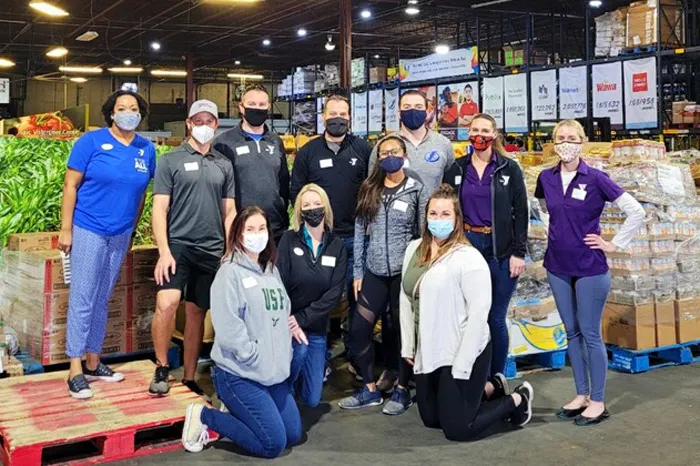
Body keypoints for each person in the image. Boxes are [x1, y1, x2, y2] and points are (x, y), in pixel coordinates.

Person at [400, 184, 534, 441]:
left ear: (457, 219)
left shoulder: (469, 259)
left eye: (445, 214)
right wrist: (409, 346)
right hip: (429, 347)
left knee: (458, 428)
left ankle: (517, 399)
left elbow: (478, 316)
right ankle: (491, 387)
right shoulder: (414, 250)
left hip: (462, 348)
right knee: (431, 419)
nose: (438, 220)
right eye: (433, 214)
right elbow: (406, 300)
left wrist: (462, 364)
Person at [535, 120, 645, 426]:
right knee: (571, 332)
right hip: (557, 265)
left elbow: (636, 211)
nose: (566, 143)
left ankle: (597, 400)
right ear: (553, 143)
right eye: (560, 138)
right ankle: (581, 394)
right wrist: (553, 233)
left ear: (582, 142)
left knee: (590, 333)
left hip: (589, 267)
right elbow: (544, 208)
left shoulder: (596, 178)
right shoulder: (546, 177)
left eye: (572, 138)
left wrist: (614, 244)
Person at [181, 206, 304, 458]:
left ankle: (239, 412)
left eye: (261, 229)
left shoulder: (271, 270)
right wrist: (253, 355)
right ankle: (205, 416)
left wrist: (287, 333)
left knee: (293, 434)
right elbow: (228, 328)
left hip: (272, 375)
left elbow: (281, 310)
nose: (256, 235)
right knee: (272, 444)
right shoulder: (229, 273)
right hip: (241, 373)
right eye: (250, 229)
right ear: (238, 234)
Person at [58, 90, 155, 399]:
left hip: (120, 232)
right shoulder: (91, 142)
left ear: (141, 114)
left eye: (134, 108)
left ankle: (94, 360)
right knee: (83, 296)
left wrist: (132, 228)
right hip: (89, 228)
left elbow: (141, 195)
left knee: (102, 297)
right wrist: (66, 229)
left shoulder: (145, 149)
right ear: (111, 113)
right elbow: (71, 185)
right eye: (121, 108)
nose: (128, 112)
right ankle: (75, 368)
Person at [149, 100, 237, 397]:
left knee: (197, 312)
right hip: (178, 246)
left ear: (215, 125)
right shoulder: (170, 160)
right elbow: (159, 208)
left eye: (209, 121)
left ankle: (189, 377)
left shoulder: (223, 164)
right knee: (167, 304)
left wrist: (229, 251)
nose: (203, 125)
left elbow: (230, 212)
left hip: (211, 249)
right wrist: (163, 250)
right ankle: (161, 366)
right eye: (197, 120)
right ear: (188, 123)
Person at [338, 135, 429, 415]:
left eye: (395, 151)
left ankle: (402, 389)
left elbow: (421, 233)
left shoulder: (416, 189)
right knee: (358, 330)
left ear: (404, 154)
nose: (389, 155)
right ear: (378, 158)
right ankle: (369, 389)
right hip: (374, 272)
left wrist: (420, 272)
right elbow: (359, 230)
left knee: (401, 333)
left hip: (403, 275)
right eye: (384, 152)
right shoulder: (370, 188)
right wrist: (358, 272)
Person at [289, 95, 371, 372]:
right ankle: (318, 359)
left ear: (350, 117)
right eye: (333, 113)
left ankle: (356, 356)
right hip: (319, 241)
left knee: (357, 301)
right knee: (318, 299)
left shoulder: (363, 149)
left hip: (355, 240)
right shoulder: (309, 152)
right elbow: (297, 192)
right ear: (323, 117)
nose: (339, 118)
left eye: (344, 114)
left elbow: (372, 189)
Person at [444, 113, 528, 377]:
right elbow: (445, 209)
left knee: (495, 316)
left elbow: (521, 211)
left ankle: (496, 376)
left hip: (500, 249)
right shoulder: (457, 168)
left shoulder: (508, 169)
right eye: (474, 130)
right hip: (467, 246)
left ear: (494, 135)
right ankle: (470, 373)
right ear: (468, 134)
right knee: (467, 315)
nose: (479, 135)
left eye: (485, 130)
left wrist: (518, 252)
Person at [277, 184, 347, 407]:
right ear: (299, 211)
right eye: (306, 205)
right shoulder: (288, 240)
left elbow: (334, 293)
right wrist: (291, 321)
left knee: (312, 399)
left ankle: (297, 382)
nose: (312, 209)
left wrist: (303, 319)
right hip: (287, 325)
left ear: (325, 207)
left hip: (315, 328)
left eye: (317, 204)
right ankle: (282, 394)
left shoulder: (337, 245)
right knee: (299, 351)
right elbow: (278, 283)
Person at [213, 83, 289, 243]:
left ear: (268, 106)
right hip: (240, 228)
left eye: (262, 105)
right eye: (252, 104)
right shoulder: (224, 142)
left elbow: (283, 182)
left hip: (274, 228)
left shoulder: (275, 141)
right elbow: (219, 188)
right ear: (241, 107)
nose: (257, 108)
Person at [368, 90, 454, 197]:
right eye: (407, 107)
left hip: (432, 212)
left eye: (418, 107)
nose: (413, 111)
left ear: (426, 111)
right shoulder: (384, 145)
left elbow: (450, 184)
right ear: (399, 113)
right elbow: (372, 186)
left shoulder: (443, 143)